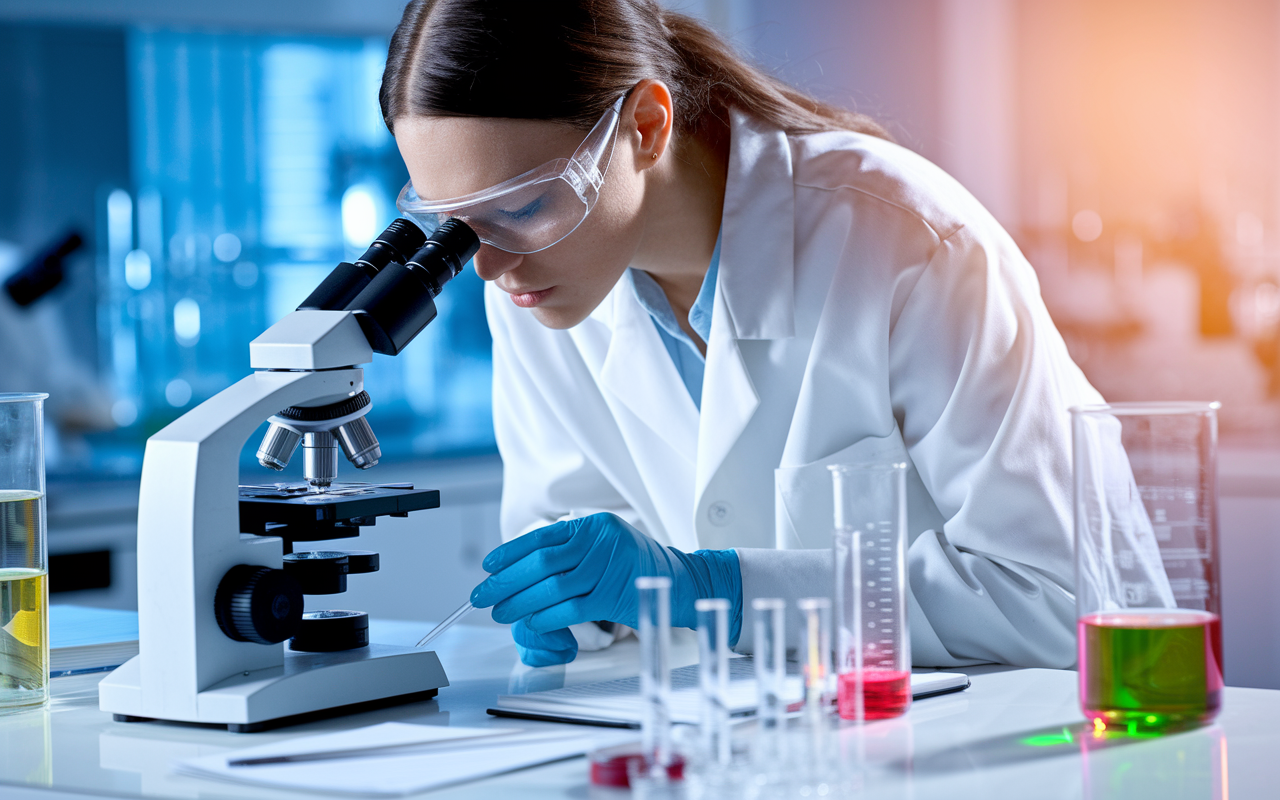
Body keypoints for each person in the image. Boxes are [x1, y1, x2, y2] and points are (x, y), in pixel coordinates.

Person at [381, 0, 1102, 669]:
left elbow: (1051, 597)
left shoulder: (909, 243)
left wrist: (716, 589)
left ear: (646, 126)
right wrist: (576, 604)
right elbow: (581, 540)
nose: (489, 266)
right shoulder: (539, 286)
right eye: (457, 222)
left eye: (524, 203)